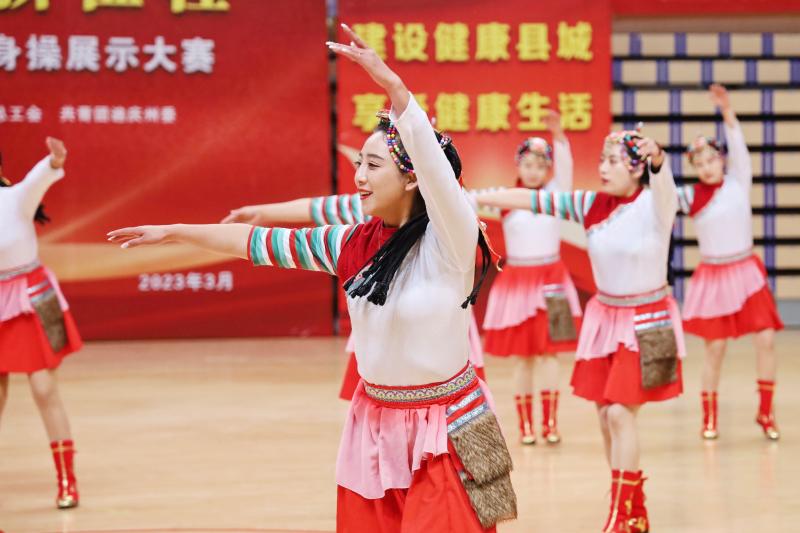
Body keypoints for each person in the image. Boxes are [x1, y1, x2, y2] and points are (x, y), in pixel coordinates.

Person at [108, 24, 516, 533]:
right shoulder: (350, 243)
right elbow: (256, 243)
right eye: (359, 164)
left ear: (412, 177)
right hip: (376, 427)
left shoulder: (450, 240)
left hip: (446, 430)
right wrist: (176, 231)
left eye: (372, 164)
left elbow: (439, 174)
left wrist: (394, 88)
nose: (359, 176)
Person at [474, 126, 681, 532]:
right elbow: (531, 199)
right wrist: (467, 196)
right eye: (602, 160)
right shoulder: (592, 204)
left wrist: (658, 158)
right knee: (606, 415)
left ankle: (621, 514)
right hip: (607, 322)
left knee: (619, 413)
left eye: (613, 161)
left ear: (636, 169)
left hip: (647, 324)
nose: (603, 168)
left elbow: (662, 179)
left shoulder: (656, 203)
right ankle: (634, 507)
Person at [677, 83, 783, 441]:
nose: (706, 167)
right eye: (699, 163)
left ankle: (765, 412)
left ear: (722, 159)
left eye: (711, 160)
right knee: (715, 348)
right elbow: (658, 197)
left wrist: (727, 110)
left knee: (766, 339)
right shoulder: (690, 196)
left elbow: (737, 143)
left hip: (746, 271)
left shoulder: (738, 182)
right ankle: (709, 416)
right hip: (714, 276)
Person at [0, 138, 83, 509]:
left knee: (44, 388)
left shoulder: (16, 198)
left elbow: (39, 178)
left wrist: (55, 161)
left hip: (31, 299)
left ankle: (67, 479)